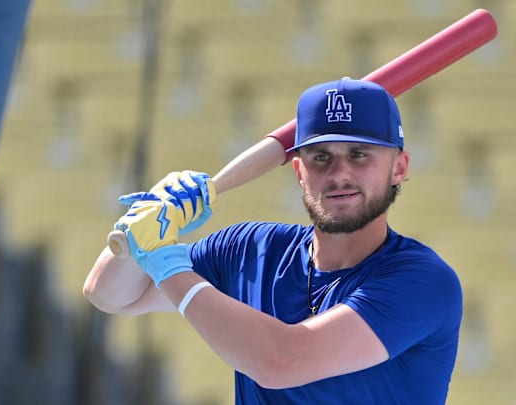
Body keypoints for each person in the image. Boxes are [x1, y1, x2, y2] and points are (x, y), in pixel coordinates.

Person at [83, 78, 463, 404]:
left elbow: (282, 361)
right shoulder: (250, 248)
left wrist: (165, 260)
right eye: (320, 157)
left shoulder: (423, 281)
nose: (339, 173)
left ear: (399, 168)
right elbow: (111, 294)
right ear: (298, 170)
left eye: (359, 154)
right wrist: (147, 221)